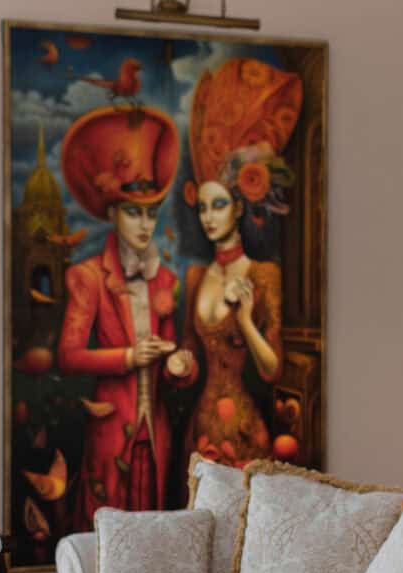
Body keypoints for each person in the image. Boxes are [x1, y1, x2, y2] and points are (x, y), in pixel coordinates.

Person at [167, 58, 303, 470]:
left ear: (239, 207)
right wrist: (181, 365)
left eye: (219, 205)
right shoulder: (195, 275)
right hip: (201, 431)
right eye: (203, 207)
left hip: (244, 434)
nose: (209, 217)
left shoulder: (264, 274)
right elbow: (190, 353)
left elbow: (272, 369)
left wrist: (244, 319)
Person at [58, 106, 181, 530]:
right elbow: (68, 356)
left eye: (151, 212)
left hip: (155, 435)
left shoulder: (166, 279)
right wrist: (129, 356)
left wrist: (180, 365)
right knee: (107, 539)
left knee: (156, 537)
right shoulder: (89, 276)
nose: (145, 224)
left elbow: (172, 366)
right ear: (112, 213)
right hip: (111, 433)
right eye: (133, 212)